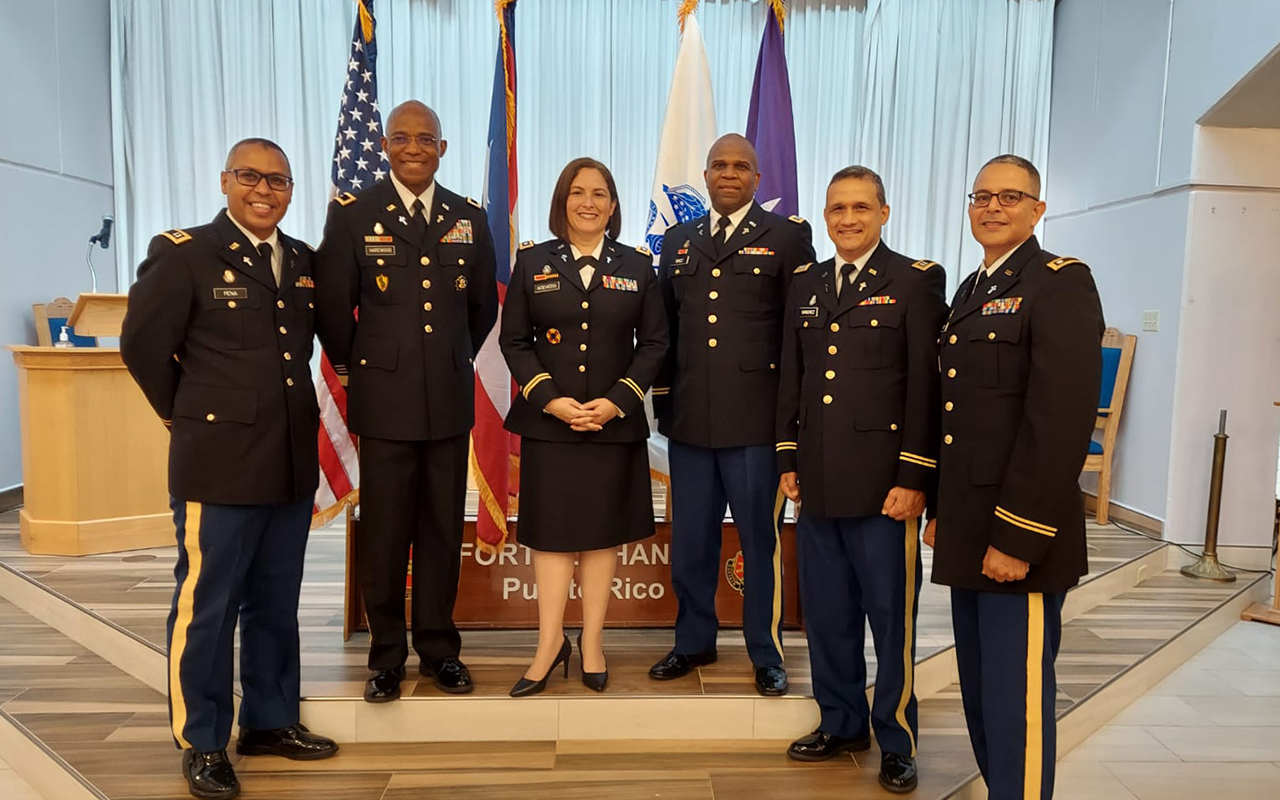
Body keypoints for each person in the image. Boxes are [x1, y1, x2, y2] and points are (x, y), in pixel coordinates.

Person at [121, 138, 339, 800]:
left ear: (291, 190)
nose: (264, 190)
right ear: (225, 180)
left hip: (289, 461)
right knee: (207, 605)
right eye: (250, 177)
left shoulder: (302, 261)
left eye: (278, 180)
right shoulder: (185, 254)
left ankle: (270, 720)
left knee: (275, 600)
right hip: (217, 463)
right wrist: (186, 417)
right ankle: (204, 739)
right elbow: (143, 347)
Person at [926, 154, 1103, 800]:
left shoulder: (1059, 283)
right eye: (982, 196)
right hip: (972, 527)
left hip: (1017, 535)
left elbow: (1057, 421)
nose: (993, 208)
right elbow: (959, 416)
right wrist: (943, 513)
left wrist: (1019, 537)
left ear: (1037, 208)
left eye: (1010, 197)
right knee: (980, 689)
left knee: (1016, 700)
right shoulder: (973, 291)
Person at [314, 101, 498, 703]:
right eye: (401, 138)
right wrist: (365, 370)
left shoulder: (468, 216)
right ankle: (387, 655)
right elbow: (334, 313)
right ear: (385, 146)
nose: (413, 148)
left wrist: (446, 358)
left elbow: (481, 312)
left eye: (425, 138)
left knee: (444, 530)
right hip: (384, 401)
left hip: (446, 399)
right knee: (387, 531)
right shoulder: (353, 214)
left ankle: (440, 650)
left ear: (442, 147)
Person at [776, 166, 947, 793]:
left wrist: (916, 475)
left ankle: (897, 738)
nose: (847, 219)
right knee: (827, 616)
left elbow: (926, 389)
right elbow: (792, 378)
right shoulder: (808, 283)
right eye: (836, 209)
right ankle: (841, 720)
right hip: (817, 484)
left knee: (891, 620)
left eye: (860, 208)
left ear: (884, 212)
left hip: (885, 491)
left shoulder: (915, 281)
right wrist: (787, 459)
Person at [651, 134, 815, 696]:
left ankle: (765, 651)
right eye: (719, 165)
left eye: (740, 166)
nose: (728, 174)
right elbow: (664, 331)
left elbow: (801, 333)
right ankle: (692, 641)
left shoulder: (788, 238)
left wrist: (792, 422)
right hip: (691, 421)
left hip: (757, 425)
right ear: (704, 173)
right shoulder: (679, 239)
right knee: (691, 540)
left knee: (758, 541)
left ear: (757, 179)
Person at [499, 158, 668, 696]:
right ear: (562, 201)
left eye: (599, 193)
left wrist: (619, 401)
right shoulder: (532, 262)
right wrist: (551, 401)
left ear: (613, 206)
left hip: (613, 428)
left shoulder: (639, 266)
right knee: (551, 540)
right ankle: (549, 644)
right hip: (550, 426)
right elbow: (514, 342)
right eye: (577, 192)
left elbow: (657, 344)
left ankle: (592, 642)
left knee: (601, 539)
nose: (588, 202)